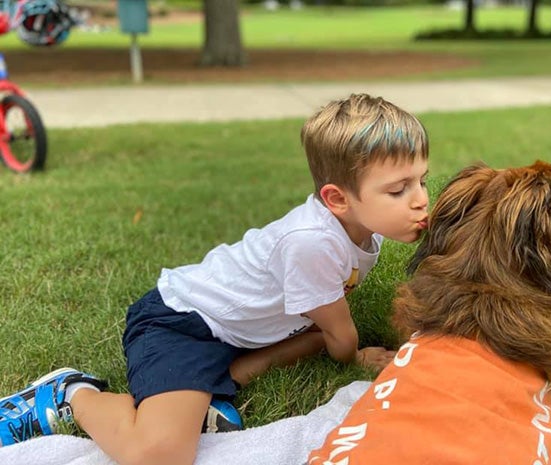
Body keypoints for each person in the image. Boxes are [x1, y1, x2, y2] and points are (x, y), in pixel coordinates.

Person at [0, 93, 430, 465]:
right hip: (182, 324)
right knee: (160, 454)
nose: (420, 200)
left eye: (422, 181)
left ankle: (218, 386)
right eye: (399, 190)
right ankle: (68, 394)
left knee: (290, 346)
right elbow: (341, 337)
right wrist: (351, 356)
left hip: (241, 332)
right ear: (337, 199)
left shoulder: (359, 228)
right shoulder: (312, 243)